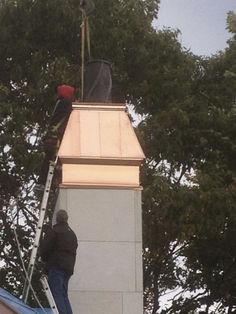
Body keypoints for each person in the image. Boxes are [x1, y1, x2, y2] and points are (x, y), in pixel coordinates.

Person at [36, 85, 75, 191]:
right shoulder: (66, 103)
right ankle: (50, 184)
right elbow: (71, 113)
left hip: (51, 137)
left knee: (48, 160)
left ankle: (42, 182)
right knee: (55, 162)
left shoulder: (59, 103)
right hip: (55, 138)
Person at [40, 209, 78, 314]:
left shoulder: (55, 231)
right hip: (68, 268)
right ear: (67, 219)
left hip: (57, 266)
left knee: (56, 293)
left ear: (57, 219)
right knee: (63, 294)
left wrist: (44, 259)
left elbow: (46, 248)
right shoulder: (72, 234)